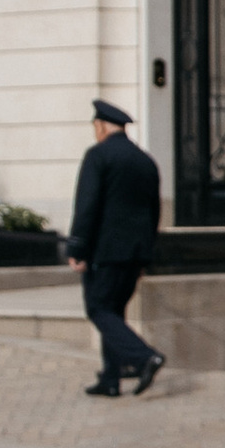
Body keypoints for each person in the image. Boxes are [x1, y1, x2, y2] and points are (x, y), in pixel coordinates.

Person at [67, 100, 165, 400]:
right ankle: (110, 379)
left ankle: (144, 357)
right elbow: (154, 211)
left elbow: (87, 205)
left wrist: (77, 248)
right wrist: (146, 254)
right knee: (114, 312)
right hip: (135, 253)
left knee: (98, 309)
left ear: (100, 126)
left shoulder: (98, 156)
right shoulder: (145, 160)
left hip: (106, 252)